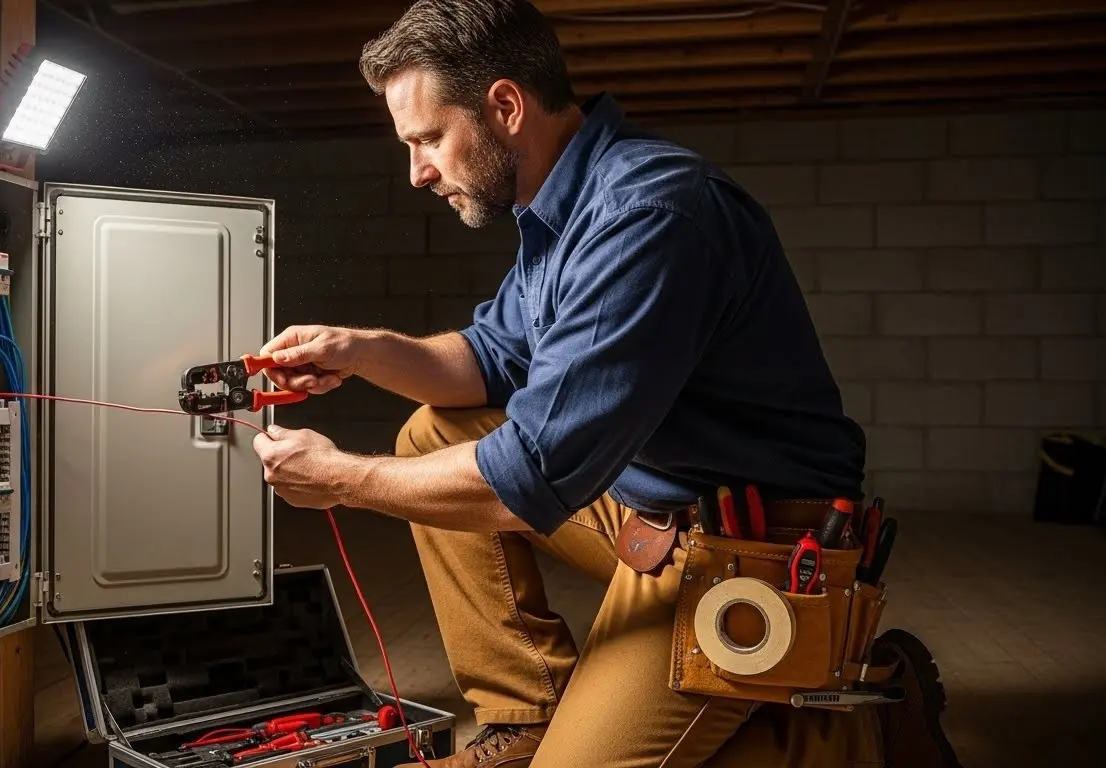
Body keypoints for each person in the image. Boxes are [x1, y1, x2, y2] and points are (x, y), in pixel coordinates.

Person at [250, 2, 961, 767]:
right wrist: (360, 350)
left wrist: (343, 480)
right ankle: (524, 714)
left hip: (757, 544)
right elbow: (489, 361)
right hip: (650, 509)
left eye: (426, 139)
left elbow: (527, 475)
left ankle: (860, 710)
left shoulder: (645, 214)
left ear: (504, 106)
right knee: (434, 431)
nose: (417, 170)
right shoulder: (560, 205)